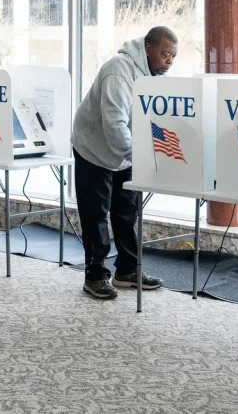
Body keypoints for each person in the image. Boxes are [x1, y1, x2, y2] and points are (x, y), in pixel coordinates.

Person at [72, 26, 176, 299]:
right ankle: (95, 276)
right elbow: (115, 124)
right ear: (149, 48)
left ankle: (127, 271)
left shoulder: (151, 76)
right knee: (96, 215)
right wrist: (140, 156)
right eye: (165, 54)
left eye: (173, 56)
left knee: (127, 212)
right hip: (93, 149)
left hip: (125, 150)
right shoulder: (119, 71)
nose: (169, 61)